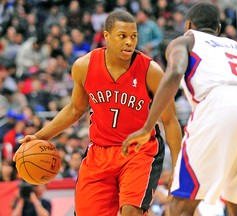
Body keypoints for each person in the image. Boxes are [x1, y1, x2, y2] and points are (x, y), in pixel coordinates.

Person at [122, 1, 237, 215]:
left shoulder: (186, 40)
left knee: (181, 206)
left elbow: (174, 72)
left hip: (218, 104)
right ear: (217, 29)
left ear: (188, 24)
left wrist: (148, 126)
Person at [14, 10, 182, 216]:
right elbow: (75, 109)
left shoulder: (152, 71)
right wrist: (40, 136)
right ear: (107, 36)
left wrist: (177, 167)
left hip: (139, 152)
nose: (129, 42)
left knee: (131, 211)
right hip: (99, 152)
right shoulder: (84, 66)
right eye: (122, 36)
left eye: (134, 36)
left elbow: (171, 121)